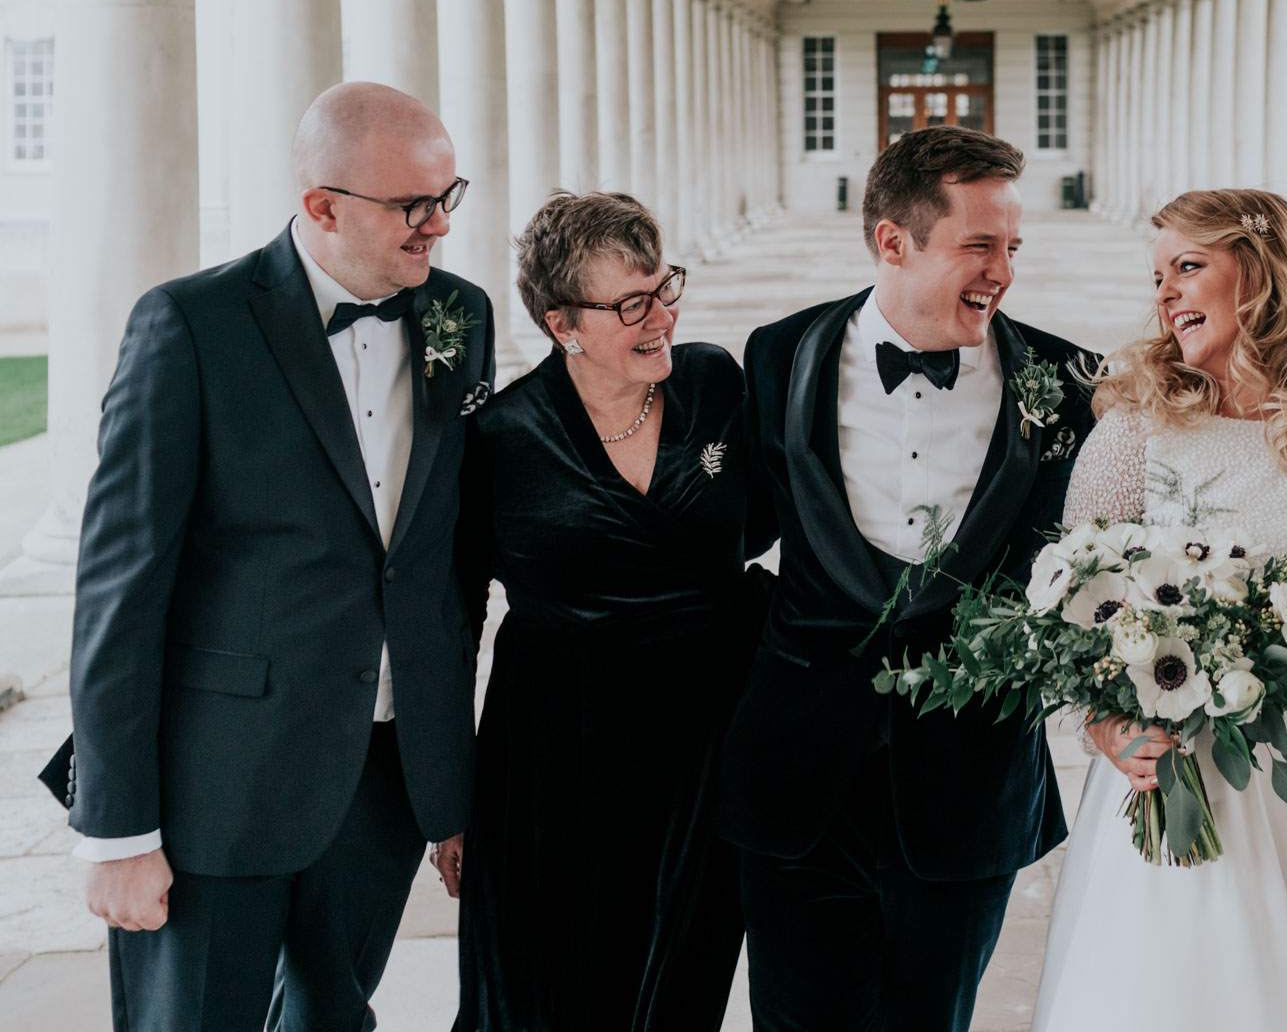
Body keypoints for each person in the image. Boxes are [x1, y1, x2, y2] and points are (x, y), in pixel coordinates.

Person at [46, 82, 494, 1030]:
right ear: (322, 206)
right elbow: (120, 590)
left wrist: (448, 777)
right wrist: (116, 829)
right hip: (220, 784)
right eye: (413, 206)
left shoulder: (463, 316)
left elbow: (447, 555)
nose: (438, 229)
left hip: (385, 780)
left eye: (448, 198)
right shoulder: (189, 326)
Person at [1030, 188, 1287, 1031]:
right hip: (1185, 774)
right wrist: (1104, 725)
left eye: (1189, 267)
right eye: (1158, 277)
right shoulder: (1137, 425)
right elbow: (1070, 607)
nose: (1166, 294)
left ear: (1261, 271)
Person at [714, 125, 1098, 1032]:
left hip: (969, 789)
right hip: (797, 780)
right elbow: (729, 532)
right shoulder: (777, 354)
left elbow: (1098, 567)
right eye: (978, 246)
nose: (1002, 270)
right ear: (894, 240)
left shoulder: (1067, 380)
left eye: (1011, 247)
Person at [451, 191, 771, 1031]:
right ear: (564, 324)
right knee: (554, 981)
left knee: (684, 974)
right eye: (632, 304)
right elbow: (458, 617)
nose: (660, 315)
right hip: (561, 748)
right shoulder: (503, 439)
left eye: (665, 289)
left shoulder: (714, 381)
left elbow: (766, 521)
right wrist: (447, 797)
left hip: (704, 740)